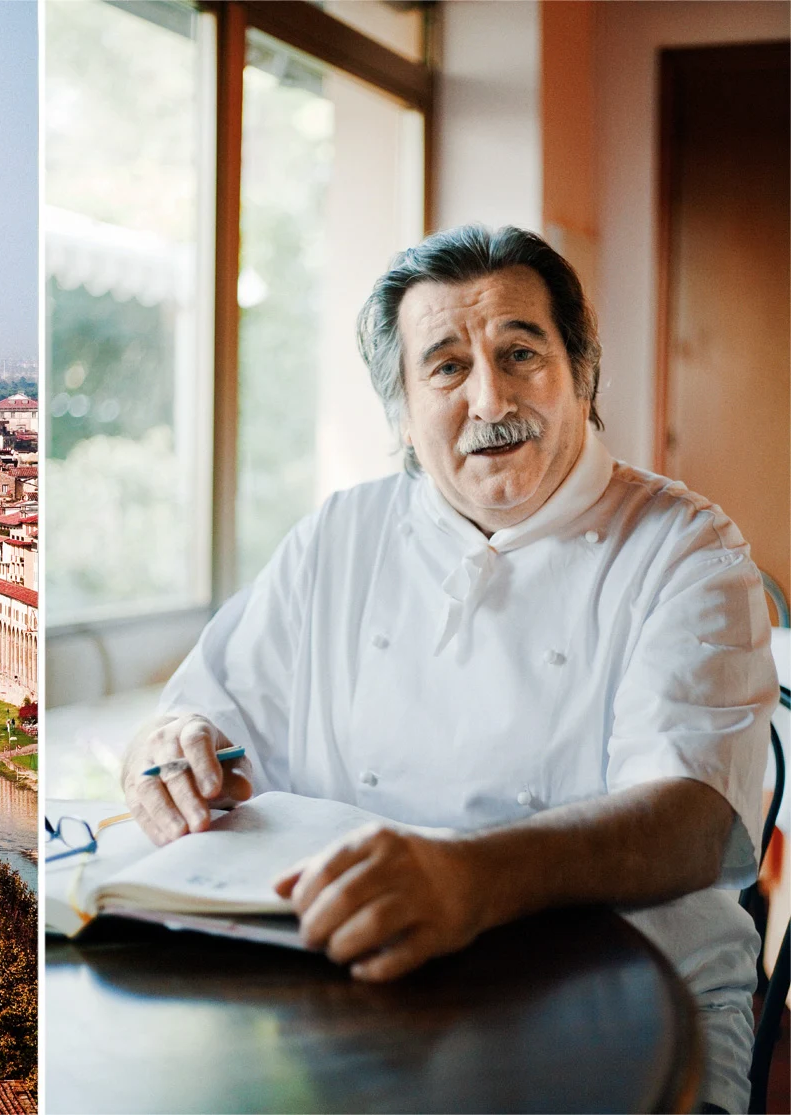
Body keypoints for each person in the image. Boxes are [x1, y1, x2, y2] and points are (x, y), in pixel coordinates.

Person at [123, 225, 777, 1114]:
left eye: (520, 353)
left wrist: (466, 877)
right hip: (354, 993)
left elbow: (689, 820)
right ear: (401, 410)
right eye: (446, 367)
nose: (489, 397)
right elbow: (201, 717)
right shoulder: (338, 537)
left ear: (583, 374)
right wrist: (168, 750)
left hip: (637, 1012)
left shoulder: (686, 549)